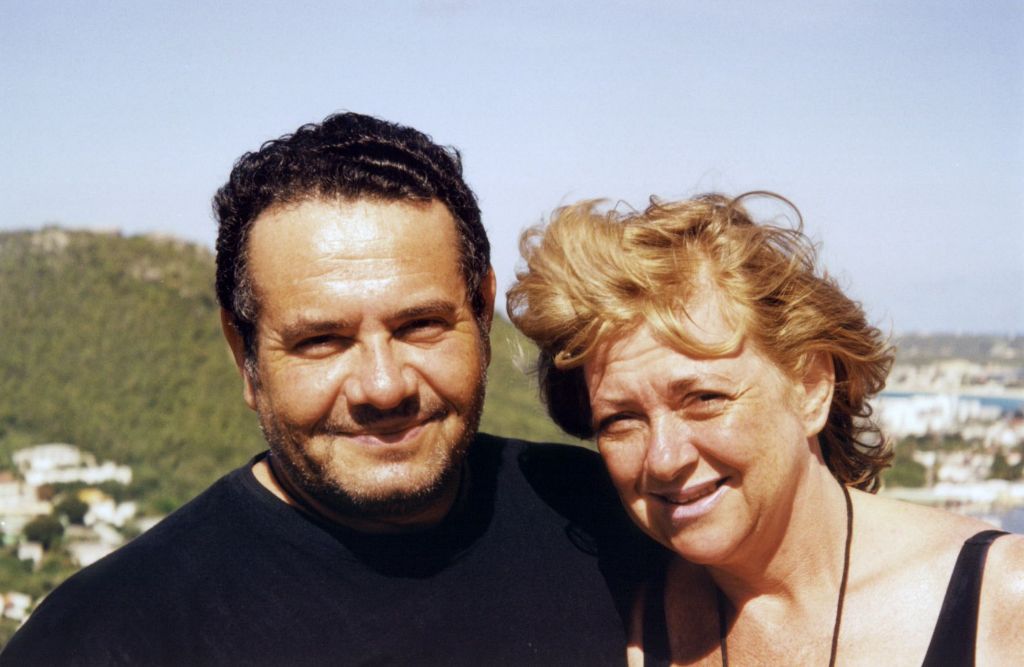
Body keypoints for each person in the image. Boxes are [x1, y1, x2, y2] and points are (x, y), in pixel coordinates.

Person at [1, 113, 658, 666]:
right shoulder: (108, 639)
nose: (383, 386)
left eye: (420, 326)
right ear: (243, 354)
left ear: (483, 312)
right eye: (322, 340)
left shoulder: (621, 523)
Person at [508, 192, 1024, 666]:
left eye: (704, 399)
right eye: (621, 420)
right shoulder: (631, 623)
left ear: (811, 388)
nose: (663, 458)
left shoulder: (1000, 601)